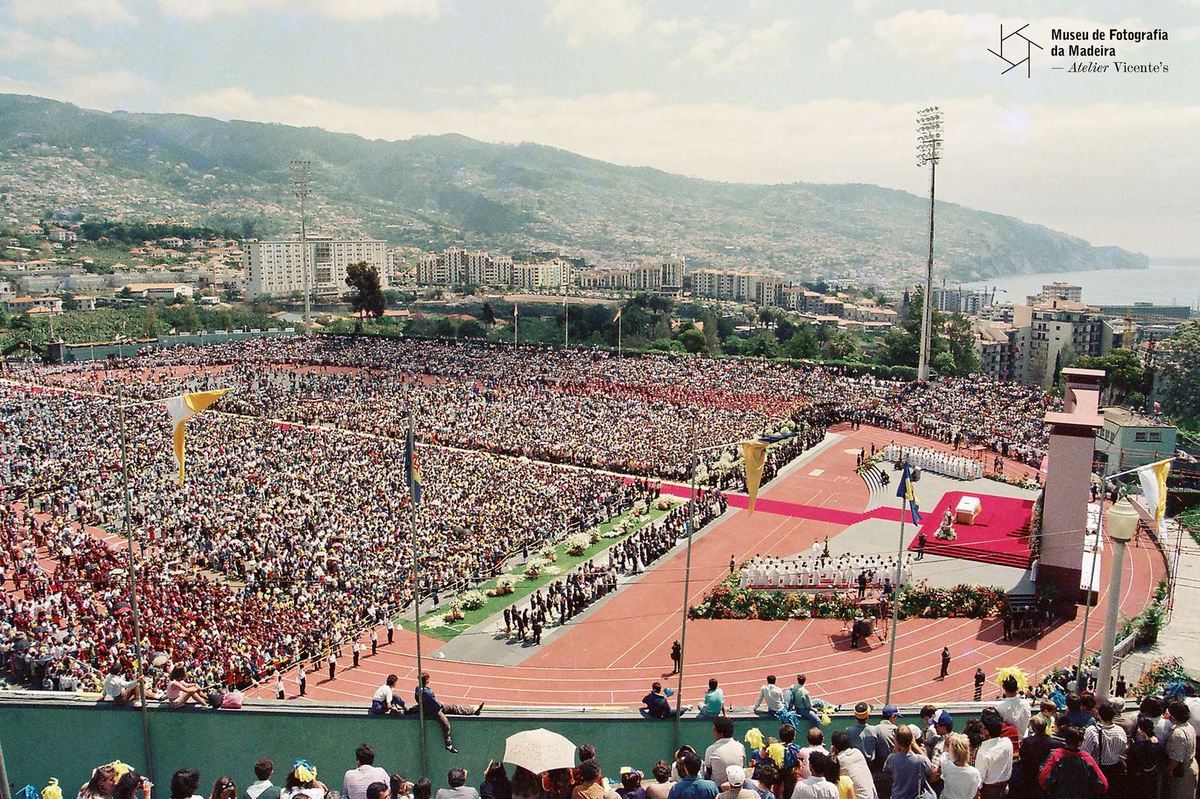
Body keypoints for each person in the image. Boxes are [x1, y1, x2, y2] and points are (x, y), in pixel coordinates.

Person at [416, 672, 483, 753]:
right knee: (446, 724)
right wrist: (440, 704)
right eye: (427, 679)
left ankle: (473, 711)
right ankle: (448, 745)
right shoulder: (427, 692)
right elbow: (435, 704)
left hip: (431, 708)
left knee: (453, 708)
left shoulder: (417, 688)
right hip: (432, 712)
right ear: (426, 680)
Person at [1038, 726, 1107, 798]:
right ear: (1080, 742)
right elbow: (1103, 785)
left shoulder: (1056, 755)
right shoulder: (1087, 759)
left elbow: (1043, 780)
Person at [1081, 702, 1126, 793]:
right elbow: (1122, 751)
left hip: (1097, 770)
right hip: (1115, 769)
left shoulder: (1092, 731)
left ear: (1099, 714)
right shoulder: (1120, 731)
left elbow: (1084, 754)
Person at [882, 727, 935, 799]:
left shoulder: (891, 758)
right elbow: (930, 768)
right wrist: (915, 745)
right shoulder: (920, 760)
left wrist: (896, 746)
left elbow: (886, 769)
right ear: (911, 740)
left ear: (897, 741)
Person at [1165, 700, 1198, 799]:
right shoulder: (1188, 726)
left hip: (1182, 770)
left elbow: (1177, 758)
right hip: (1190, 765)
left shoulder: (1178, 734)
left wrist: (1168, 769)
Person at [976, 714, 1013, 799]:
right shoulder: (1007, 742)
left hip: (990, 791)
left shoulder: (984, 752)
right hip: (1005, 787)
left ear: (986, 732)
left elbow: (980, 777)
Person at [828, 732, 873, 799]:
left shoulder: (839, 760)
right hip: (872, 796)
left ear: (834, 747)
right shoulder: (857, 752)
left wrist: (830, 754)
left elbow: (827, 770)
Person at [703, 718, 745, 788]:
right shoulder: (741, 747)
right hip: (737, 787)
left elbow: (708, 771)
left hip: (717, 788)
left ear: (721, 734)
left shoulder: (711, 750)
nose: (713, 732)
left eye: (714, 730)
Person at [937, 733, 980, 799]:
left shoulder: (947, 766)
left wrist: (946, 743)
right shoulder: (975, 773)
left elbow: (944, 754)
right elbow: (975, 795)